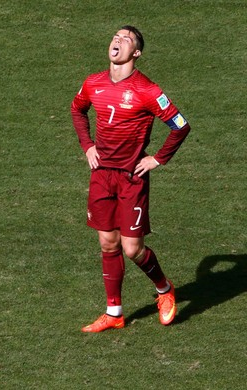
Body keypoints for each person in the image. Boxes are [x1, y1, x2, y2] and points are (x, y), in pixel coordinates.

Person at [70, 25, 191, 332]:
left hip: (130, 178)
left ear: (135, 53)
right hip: (101, 176)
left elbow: (180, 125)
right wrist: (87, 146)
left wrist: (158, 158)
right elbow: (77, 109)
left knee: (132, 249)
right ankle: (114, 313)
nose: (117, 40)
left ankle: (164, 290)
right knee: (107, 243)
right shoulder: (93, 82)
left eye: (126, 39)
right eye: (115, 36)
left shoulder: (147, 90)